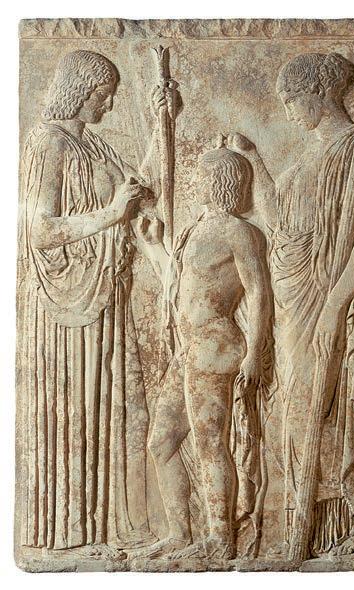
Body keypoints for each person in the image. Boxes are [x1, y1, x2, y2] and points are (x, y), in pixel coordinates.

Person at [229, 52, 354, 558]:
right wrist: (255, 160)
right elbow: (282, 224)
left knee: (323, 412)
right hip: (293, 306)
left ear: (320, 94)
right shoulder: (306, 157)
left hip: (324, 300)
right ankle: (308, 533)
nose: (288, 111)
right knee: (291, 417)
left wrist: (335, 306)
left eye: (292, 100)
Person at [19, 50, 165, 557]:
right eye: (103, 95)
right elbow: (39, 231)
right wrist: (111, 215)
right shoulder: (48, 143)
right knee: (77, 413)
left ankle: (119, 527)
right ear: (80, 90)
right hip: (68, 305)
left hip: (108, 291)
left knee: (126, 409)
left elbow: (141, 190)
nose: (109, 104)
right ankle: (71, 534)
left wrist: (160, 124)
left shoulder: (94, 144)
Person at [139, 139, 272, 559]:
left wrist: (254, 352)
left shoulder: (239, 232)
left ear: (218, 181)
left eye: (201, 175)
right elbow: (180, 285)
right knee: (161, 442)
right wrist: (155, 244)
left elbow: (259, 292)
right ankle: (180, 533)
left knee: (210, 444)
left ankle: (220, 540)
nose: (194, 181)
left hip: (215, 348)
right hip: (189, 350)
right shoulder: (196, 228)